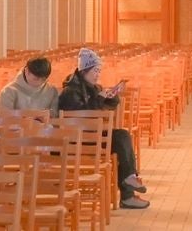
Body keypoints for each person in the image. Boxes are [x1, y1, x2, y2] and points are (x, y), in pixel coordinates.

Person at [58, 48, 149, 209]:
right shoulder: (70, 91)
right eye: (95, 70)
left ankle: (129, 182)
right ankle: (128, 190)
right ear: (84, 70)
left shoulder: (94, 88)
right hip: (79, 140)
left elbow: (109, 106)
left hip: (94, 136)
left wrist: (112, 96)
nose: (97, 74)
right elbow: (82, 118)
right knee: (121, 139)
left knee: (122, 137)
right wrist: (98, 100)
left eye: (99, 70)